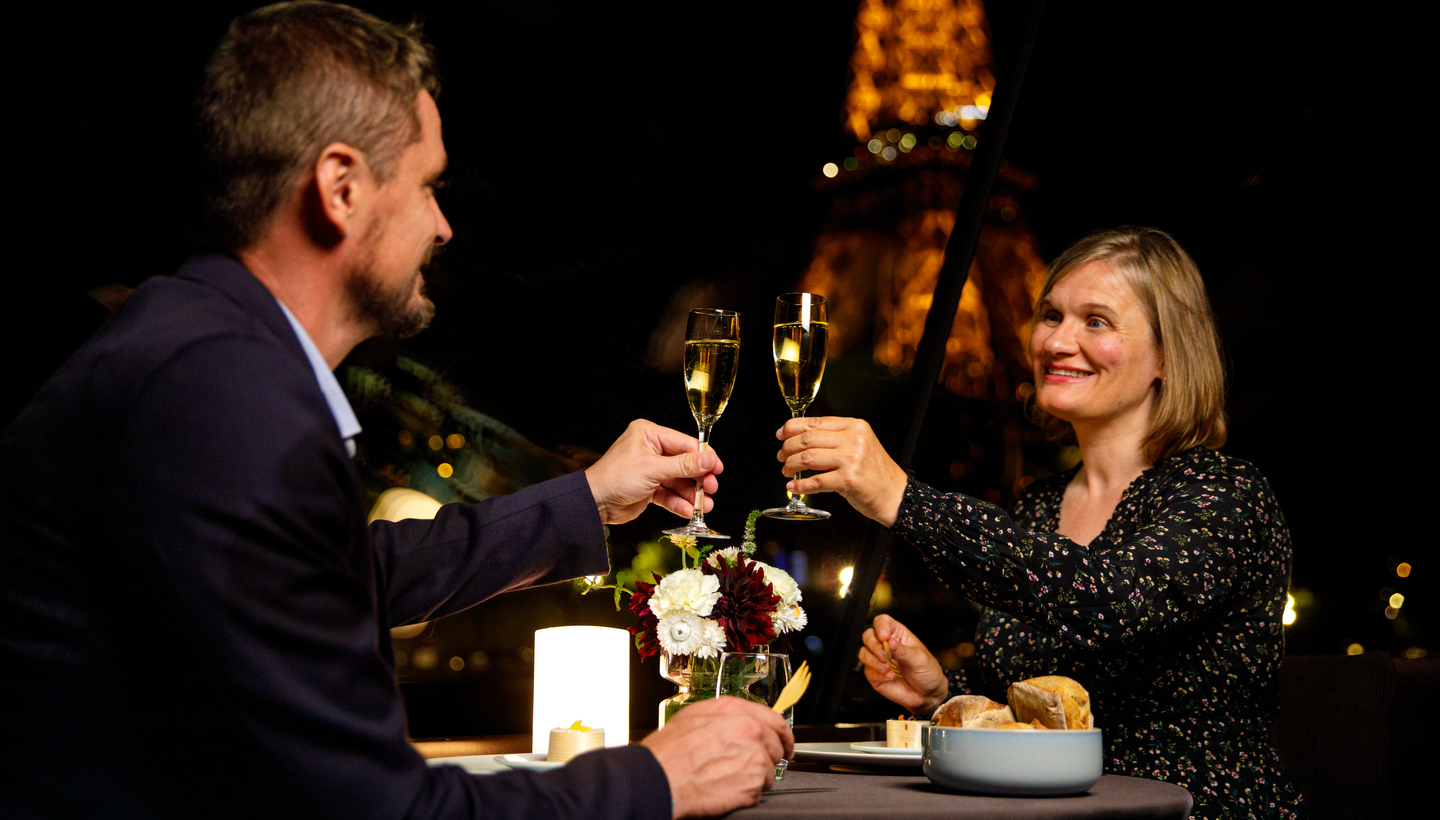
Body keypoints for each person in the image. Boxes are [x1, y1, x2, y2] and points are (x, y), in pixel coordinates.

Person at [0, 3, 790, 819]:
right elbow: (377, 809)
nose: (443, 226)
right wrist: (655, 780)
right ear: (340, 188)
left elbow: (344, 577)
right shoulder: (227, 398)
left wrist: (589, 497)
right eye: (427, 186)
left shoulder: (193, 339)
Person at [776, 227, 1303, 819]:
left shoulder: (1225, 495)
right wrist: (944, 693)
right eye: (1051, 315)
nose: (1058, 340)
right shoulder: (1039, 505)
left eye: (1097, 321)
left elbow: (1106, 602)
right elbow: (1033, 695)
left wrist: (903, 497)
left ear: (1167, 354)